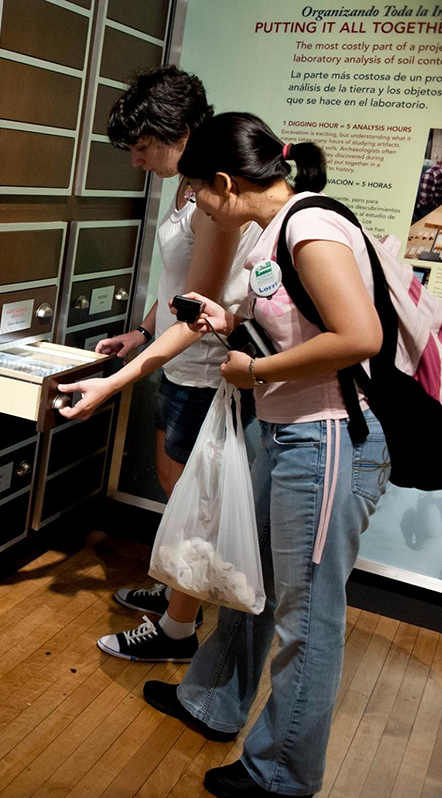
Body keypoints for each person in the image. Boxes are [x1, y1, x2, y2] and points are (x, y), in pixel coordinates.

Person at [143, 112, 388, 798]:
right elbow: (289, 316)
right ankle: (212, 701)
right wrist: (230, 319)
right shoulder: (277, 233)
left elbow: (359, 336)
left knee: (305, 616)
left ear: (223, 184)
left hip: (330, 437)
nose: (195, 206)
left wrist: (252, 373)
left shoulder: (308, 227)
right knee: (246, 577)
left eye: (196, 194)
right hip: (287, 432)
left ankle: (280, 777)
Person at [60, 66, 261, 663]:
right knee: (176, 489)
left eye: (144, 147)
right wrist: (141, 330)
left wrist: (111, 385)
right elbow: (181, 285)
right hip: (177, 362)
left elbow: (199, 309)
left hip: (204, 369)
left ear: (182, 132)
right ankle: (177, 594)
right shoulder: (186, 187)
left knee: (195, 500)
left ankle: (176, 630)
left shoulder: (213, 200)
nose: (136, 161)